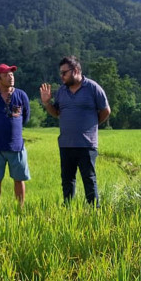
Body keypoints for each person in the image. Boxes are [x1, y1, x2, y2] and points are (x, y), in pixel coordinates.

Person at [40, 56, 111, 206]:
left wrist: (93, 124)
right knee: (67, 179)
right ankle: (68, 210)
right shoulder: (61, 91)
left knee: (89, 178)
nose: (62, 76)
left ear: (76, 70)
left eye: (64, 73)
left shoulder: (92, 88)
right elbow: (57, 112)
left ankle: (94, 211)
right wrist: (47, 103)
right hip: (66, 143)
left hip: (87, 144)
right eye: (61, 73)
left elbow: (105, 111)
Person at [0, 63, 31, 206]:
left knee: (19, 179)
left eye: (12, 74)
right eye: (7, 75)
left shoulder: (21, 95)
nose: (11, 77)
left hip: (17, 145)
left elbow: (25, 117)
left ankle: (20, 208)